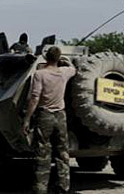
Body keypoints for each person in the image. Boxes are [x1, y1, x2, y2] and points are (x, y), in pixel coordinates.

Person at [22, 46, 76, 194]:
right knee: (62, 153)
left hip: (44, 115)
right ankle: (63, 187)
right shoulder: (64, 73)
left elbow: (34, 98)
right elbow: (73, 69)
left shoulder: (40, 74)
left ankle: (41, 188)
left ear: (46, 58)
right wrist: (66, 61)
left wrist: (27, 119)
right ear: (58, 59)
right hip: (60, 116)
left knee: (42, 152)